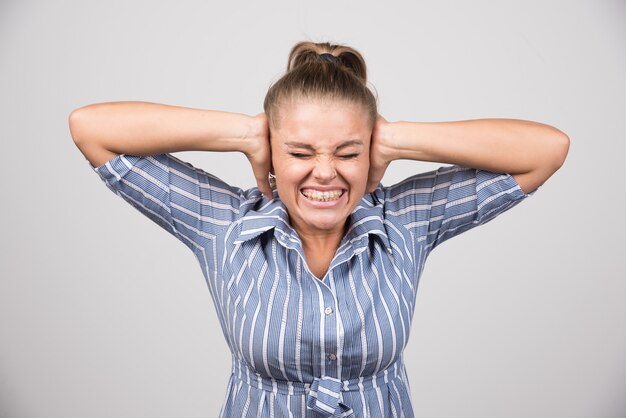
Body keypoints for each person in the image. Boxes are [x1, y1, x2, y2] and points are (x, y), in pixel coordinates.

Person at [69, 41, 569, 417]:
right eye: (301, 152)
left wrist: (392, 138)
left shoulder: (406, 222)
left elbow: (545, 151)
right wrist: (246, 131)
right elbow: (91, 129)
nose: (325, 172)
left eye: (348, 153)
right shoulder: (223, 225)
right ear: (273, 151)